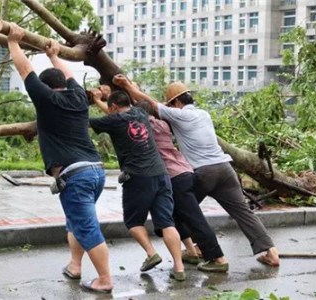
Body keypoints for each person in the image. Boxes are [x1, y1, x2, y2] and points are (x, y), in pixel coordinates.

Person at [113, 75, 280, 268]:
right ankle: (271, 252)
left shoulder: (179, 114)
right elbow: (151, 105)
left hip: (203, 173)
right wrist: (132, 87)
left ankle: (204, 252)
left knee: (181, 212)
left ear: (176, 102)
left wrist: (126, 85)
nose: (169, 108)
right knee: (243, 212)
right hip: (226, 170)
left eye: (171, 104)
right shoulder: (204, 114)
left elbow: (149, 103)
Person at [6, 23, 113, 294]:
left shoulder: (46, 100)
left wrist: (13, 42)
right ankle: (75, 266)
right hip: (95, 171)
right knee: (76, 222)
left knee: (86, 227)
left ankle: (105, 279)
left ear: (45, 88)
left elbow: (24, 70)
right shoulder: (78, 96)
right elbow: (70, 76)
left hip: (75, 175)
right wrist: (54, 55)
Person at [110, 77, 229, 272]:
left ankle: (218, 258)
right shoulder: (166, 124)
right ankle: (191, 251)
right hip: (187, 173)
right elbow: (146, 107)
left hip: (175, 178)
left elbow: (128, 115)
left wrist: (121, 91)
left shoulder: (145, 127)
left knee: (193, 218)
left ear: (175, 102)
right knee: (173, 217)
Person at [88, 88, 186, 281]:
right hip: (161, 174)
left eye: (111, 108)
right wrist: (102, 100)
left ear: (114, 106)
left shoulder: (113, 121)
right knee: (167, 222)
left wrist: (94, 99)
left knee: (133, 222)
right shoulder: (140, 113)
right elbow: (118, 113)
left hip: (138, 177)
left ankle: (151, 253)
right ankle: (179, 267)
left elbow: (86, 122)